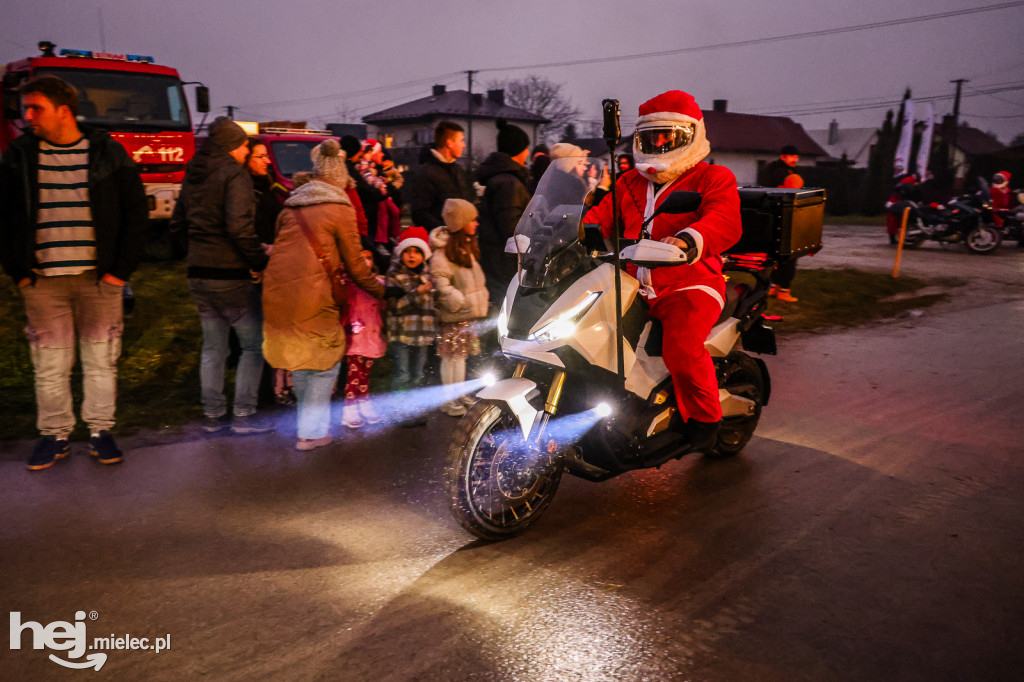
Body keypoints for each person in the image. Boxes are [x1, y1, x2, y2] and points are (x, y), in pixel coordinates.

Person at [0, 75, 147, 470]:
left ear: (63, 111)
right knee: (50, 364)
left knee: (101, 360)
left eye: (36, 108)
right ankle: (55, 435)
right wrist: (19, 272)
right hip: (43, 282)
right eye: (26, 108)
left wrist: (119, 271)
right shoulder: (19, 155)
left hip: (98, 281)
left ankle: (100, 431)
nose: (27, 116)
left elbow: (136, 214)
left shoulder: (106, 153)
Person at [585, 89, 742, 452]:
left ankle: (705, 418)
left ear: (689, 135)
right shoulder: (628, 183)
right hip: (627, 282)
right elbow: (599, 218)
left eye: (667, 136)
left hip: (690, 284)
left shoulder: (712, 177)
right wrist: (563, 229)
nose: (659, 144)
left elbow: (725, 220)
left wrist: (688, 239)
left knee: (682, 347)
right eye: (650, 137)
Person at [262, 139, 384, 450]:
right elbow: (356, 265)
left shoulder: (291, 205)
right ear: (341, 176)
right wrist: (382, 290)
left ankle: (305, 425)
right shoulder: (340, 207)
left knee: (303, 360)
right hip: (316, 293)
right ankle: (312, 433)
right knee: (325, 361)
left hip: (278, 291)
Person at [170, 117, 272, 435]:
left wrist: (188, 252)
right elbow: (239, 227)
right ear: (232, 147)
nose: (246, 152)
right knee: (252, 346)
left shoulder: (194, 174)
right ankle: (244, 415)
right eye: (244, 146)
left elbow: (178, 222)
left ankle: (213, 415)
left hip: (198, 272)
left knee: (213, 348)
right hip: (230, 273)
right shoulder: (234, 175)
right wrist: (257, 260)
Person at [429, 199, 489, 417]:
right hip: (454, 316)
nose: (476, 223)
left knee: (461, 357)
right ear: (461, 222)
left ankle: (459, 392)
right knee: (451, 359)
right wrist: (460, 302)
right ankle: (449, 398)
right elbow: (441, 285)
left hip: (465, 316)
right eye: (472, 220)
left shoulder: (465, 248)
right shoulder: (442, 254)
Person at [475, 119, 532, 304]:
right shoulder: (509, 184)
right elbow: (511, 227)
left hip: (498, 259)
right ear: (518, 150)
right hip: (503, 262)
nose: (528, 153)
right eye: (526, 147)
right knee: (506, 306)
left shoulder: (506, 179)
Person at [386, 226, 436, 425]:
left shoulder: (428, 274)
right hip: (402, 335)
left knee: (417, 375)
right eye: (407, 251)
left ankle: (413, 410)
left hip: (422, 335)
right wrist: (418, 293)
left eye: (416, 251)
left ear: (424, 254)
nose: (411, 255)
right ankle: (398, 411)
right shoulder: (395, 275)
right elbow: (395, 306)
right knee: (403, 374)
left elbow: (433, 306)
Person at [340, 250, 387, 430]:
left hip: (372, 334)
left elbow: (382, 305)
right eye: (362, 258)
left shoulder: (376, 283)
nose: (366, 262)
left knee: (364, 375)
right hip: (356, 335)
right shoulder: (348, 284)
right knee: (354, 375)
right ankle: (349, 410)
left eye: (369, 257)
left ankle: (364, 406)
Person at [408, 121, 475, 230]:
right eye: (461, 140)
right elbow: (419, 213)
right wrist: (445, 230)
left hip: (461, 240)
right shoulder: (426, 173)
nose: (464, 145)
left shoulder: (458, 170)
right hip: (441, 241)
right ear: (449, 143)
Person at [759, 145, 803, 302]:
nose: (795, 160)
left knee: (775, 254)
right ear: (783, 157)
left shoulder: (771, 169)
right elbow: (793, 187)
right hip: (785, 216)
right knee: (789, 254)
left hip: (773, 216)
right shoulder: (781, 172)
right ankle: (784, 290)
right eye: (792, 156)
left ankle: (773, 287)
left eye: (797, 157)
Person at [885, 175, 921, 245]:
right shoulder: (909, 180)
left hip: (900, 202)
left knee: (898, 222)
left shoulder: (909, 180)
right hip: (897, 203)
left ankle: (898, 238)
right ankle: (894, 239)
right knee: (895, 222)